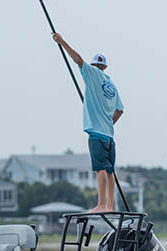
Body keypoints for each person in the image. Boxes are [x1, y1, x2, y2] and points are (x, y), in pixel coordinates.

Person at [52, 33, 124, 212]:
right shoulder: (111, 85)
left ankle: (100, 205)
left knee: (100, 169)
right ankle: (109, 206)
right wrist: (109, 123)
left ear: (95, 66)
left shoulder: (92, 74)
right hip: (109, 136)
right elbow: (120, 110)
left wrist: (62, 42)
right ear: (105, 67)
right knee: (109, 171)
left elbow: (77, 59)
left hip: (96, 133)